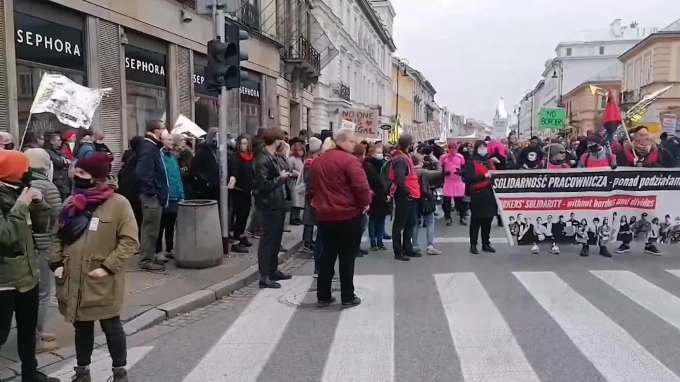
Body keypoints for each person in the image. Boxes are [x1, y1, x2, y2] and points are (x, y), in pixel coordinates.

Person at [50, 152, 138, 382]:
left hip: (103, 280)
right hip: (74, 278)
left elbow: (129, 241)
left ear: (97, 178)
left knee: (112, 326)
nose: (76, 175)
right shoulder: (71, 202)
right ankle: (82, 372)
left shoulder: (119, 204)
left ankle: (120, 372)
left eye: (82, 172)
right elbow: (56, 236)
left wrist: (108, 267)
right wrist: (57, 263)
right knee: (82, 328)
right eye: (76, 171)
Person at [0, 150, 57, 382]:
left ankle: (30, 373)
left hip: (28, 276)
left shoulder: (18, 193)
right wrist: (22, 204)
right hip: (4, 281)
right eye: (24, 169)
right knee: (1, 334)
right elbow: (6, 235)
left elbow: (40, 228)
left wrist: (39, 205)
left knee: (27, 329)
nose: (28, 173)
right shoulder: (11, 198)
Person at [309, 129, 369, 307]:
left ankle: (323, 294)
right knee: (347, 256)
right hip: (347, 214)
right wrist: (365, 203)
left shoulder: (319, 161)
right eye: (351, 141)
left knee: (327, 254)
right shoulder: (350, 161)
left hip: (325, 214)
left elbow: (311, 188)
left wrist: (317, 203)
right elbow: (361, 186)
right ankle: (347, 296)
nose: (354, 145)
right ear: (341, 141)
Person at [25, 148, 63, 353]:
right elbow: (58, 218)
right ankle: (34, 337)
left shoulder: (20, 182)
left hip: (25, 245)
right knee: (43, 293)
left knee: (29, 292)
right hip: (42, 245)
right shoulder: (47, 186)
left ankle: (34, 332)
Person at [253, 127, 293, 288]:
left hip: (278, 202)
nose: (282, 142)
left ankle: (272, 269)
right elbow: (264, 185)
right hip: (269, 204)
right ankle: (264, 276)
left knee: (276, 239)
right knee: (267, 240)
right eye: (281, 139)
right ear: (275, 140)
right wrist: (280, 178)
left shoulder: (273, 156)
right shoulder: (262, 159)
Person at [135, 120, 168, 271]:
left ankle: (150, 254)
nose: (165, 131)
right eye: (163, 128)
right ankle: (146, 260)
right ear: (155, 131)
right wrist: (152, 191)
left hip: (154, 194)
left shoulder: (153, 147)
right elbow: (142, 172)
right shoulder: (149, 147)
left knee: (153, 228)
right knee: (150, 228)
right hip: (151, 196)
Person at [388, 134, 420, 261]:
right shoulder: (401, 159)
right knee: (400, 223)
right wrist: (407, 192)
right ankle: (398, 251)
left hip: (409, 194)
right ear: (409, 144)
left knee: (410, 222)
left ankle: (408, 247)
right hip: (405, 195)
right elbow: (399, 178)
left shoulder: (404, 157)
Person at [156, 131, 185, 261]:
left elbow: (177, 177)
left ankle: (170, 248)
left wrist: (181, 195)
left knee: (170, 224)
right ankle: (157, 251)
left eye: (172, 140)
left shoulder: (172, 157)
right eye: (169, 140)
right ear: (162, 140)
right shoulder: (159, 156)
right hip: (165, 197)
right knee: (160, 225)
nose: (172, 142)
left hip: (174, 197)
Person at [464, 140, 497, 254]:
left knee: (488, 219)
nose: (483, 149)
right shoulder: (472, 161)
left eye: (484, 147)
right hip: (477, 193)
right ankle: (473, 244)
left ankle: (486, 243)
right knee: (476, 219)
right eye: (481, 147)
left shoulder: (489, 161)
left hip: (489, 193)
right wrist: (484, 176)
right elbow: (469, 178)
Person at [228, 134, 255, 253]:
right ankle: (236, 240)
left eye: (245, 143)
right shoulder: (235, 157)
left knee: (245, 214)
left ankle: (241, 235)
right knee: (240, 215)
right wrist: (233, 178)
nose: (243, 146)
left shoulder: (251, 156)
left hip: (247, 189)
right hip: (238, 189)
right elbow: (234, 170)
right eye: (241, 144)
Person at [412, 154, 444, 255]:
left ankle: (414, 245)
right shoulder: (424, 172)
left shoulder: (409, 171)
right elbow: (439, 173)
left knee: (415, 224)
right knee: (430, 222)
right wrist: (437, 162)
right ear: (420, 162)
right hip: (425, 199)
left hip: (413, 199)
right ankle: (430, 245)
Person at [301, 137, 323, 274]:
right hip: (311, 197)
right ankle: (307, 243)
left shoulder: (313, 161)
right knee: (309, 221)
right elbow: (309, 180)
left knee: (311, 220)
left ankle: (309, 242)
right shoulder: (310, 163)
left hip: (313, 196)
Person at [364, 143, 390, 251]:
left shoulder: (385, 163)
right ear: (372, 153)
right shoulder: (368, 164)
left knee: (382, 219)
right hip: (374, 193)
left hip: (383, 194)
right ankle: (373, 241)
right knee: (373, 219)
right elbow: (369, 179)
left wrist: (388, 193)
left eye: (381, 152)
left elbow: (388, 179)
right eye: (378, 152)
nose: (380, 155)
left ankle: (380, 241)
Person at [440, 142, 467, 226]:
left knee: (460, 201)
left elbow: (464, 167)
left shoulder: (460, 156)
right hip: (448, 182)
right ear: (448, 149)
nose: (453, 151)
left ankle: (462, 217)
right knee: (446, 201)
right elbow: (439, 168)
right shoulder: (443, 157)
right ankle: (448, 217)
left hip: (458, 182)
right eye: (451, 149)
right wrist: (444, 173)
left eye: (454, 149)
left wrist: (461, 172)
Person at [43, 132, 72, 201]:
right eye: (58, 140)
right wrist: (64, 161)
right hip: (57, 181)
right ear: (52, 141)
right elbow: (57, 162)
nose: (61, 142)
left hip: (65, 181)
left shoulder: (61, 152)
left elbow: (69, 161)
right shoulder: (48, 152)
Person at [287, 142, 306, 225]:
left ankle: (297, 217)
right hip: (293, 182)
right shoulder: (292, 159)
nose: (301, 152)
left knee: (299, 201)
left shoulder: (301, 160)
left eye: (302, 150)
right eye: (299, 150)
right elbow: (289, 169)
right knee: (295, 201)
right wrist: (297, 173)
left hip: (300, 182)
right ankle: (293, 217)